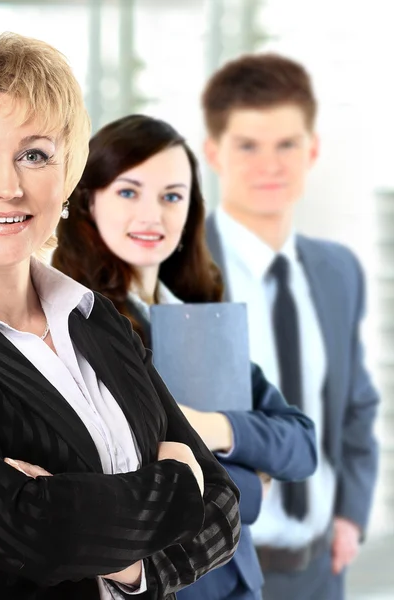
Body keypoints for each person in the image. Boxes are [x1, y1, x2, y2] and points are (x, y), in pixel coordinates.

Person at [0, 33, 242, 599]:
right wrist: (177, 484)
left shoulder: (96, 319)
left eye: (35, 154)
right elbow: (33, 535)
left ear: (67, 173)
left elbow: (223, 506)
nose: (9, 185)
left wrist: (129, 567)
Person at [53, 113, 317, 600]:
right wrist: (254, 486)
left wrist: (212, 426)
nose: (152, 215)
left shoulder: (198, 322)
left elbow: (301, 443)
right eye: (128, 192)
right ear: (89, 200)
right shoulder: (74, 326)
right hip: (169, 587)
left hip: (238, 584)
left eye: (172, 196)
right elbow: (120, 488)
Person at [202, 53, 380, 600]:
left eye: (287, 145)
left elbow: (353, 404)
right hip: (219, 570)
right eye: (247, 146)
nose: (270, 165)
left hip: (321, 567)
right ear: (214, 153)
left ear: (313, 150)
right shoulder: (180, 271)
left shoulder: (338, 271)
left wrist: (350, 515)